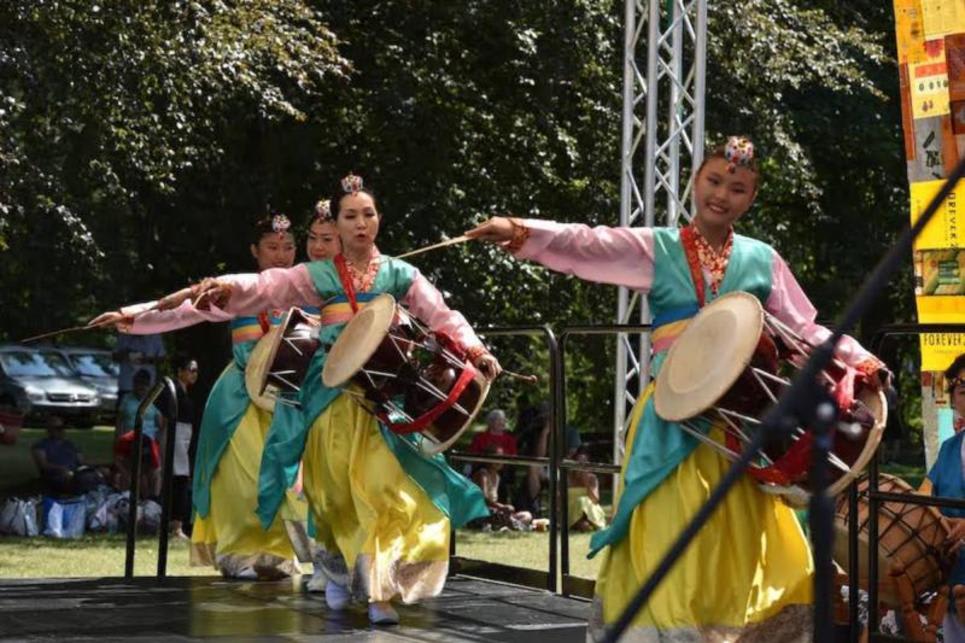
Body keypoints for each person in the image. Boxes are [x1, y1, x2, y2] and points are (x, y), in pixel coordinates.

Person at [467, 136, 888, 640]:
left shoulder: (762, 259)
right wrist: (519, 231)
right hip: (672, 414)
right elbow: (589, 242)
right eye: (714, 181)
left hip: (740, 423)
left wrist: (859, 361)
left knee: (737, 537)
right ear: (694, 182)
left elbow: (806, 328)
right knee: (667, 530)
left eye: (737, 188)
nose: (722, 195)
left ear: (750, 199)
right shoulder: (660, 247)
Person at [91, 173, 498, 626]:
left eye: (368, 214)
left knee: (385, 489)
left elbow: (441, 315)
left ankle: (380, 592)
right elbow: (259, 289)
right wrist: (139, 315)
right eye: (350, 216)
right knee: (334, 497)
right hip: (328, 402)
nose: (360, 224)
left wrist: (476, 349)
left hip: (383, 404)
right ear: (337, 226)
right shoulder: (316, 276)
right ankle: (336, 571)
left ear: (379, 219)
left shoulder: (402, 274)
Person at [95, 214, 308, 579]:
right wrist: (130, 316)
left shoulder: (306, 289)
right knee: (242, 479)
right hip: (240, 397)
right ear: (254, 251)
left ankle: (277, 553)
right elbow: (185, 309)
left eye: (288, 247)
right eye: (272, 247)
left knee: (286, 479)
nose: (281, 255)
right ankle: (238, 552)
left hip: (287, 397)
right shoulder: (240, 291)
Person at [920, 353, 965, 640]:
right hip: (954, 576)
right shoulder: (950, 448)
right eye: (963, 390)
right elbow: (922, 496)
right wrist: (938, 519)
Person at [113, 368, 165, 498]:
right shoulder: (127, 399)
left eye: (144, 385)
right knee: (133, 472)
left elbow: (161, 424)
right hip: (131, 440)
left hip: (149, 441)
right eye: (138, 384)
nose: (141, 388)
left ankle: (154, 499)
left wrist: (159, 438)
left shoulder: (152, 400)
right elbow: (120, 422)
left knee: (155, 472)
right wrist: (118, 440)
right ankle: (136, 498)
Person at [169, 354, 199, 539]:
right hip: (177, 434)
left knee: (181, 479)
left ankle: (177, 524)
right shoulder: (172, 390)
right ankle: (176, 527)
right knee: (179, 478)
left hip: (185, 435)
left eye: (196, 371)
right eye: (191, 370)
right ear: (180, 371)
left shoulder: (186, 391)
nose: (195, 374)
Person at [471, 445, 532, 531]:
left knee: (527, 515)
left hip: (494, 511)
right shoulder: (483, 474)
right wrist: (501, 507)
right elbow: (482, 498)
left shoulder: (497, 476)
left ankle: (507, 526)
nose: (500, 461)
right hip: (481, 512)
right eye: (497, 458)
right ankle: (514, 526)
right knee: (502, 515)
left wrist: (503, 508)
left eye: (502, 458)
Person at [31, 415, 85, 496]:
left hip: (76, 473)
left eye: (62, 428)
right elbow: (43, 465)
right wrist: (61, 469)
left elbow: (82, 461)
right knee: (80, 481)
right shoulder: (41, 445)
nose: (61, 431)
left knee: (99, 474)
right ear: (49, 429)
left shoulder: (70, 444)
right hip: (57, 475)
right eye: (57, 428)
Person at [113, 331, 165, 403]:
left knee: (147, 412)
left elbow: (161, 358)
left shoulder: (155, 336)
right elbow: (114, 356)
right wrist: (125, 354)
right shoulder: (124, 335)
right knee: (125, 410)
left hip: (147, 386)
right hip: (127, 384)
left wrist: (146, 359)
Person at [566, 447, 607, 532]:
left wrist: (587, 483)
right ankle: (580, 524)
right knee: (580, 501)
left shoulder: (592, 478)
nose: (582, 467)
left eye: (585, 463)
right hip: (572, 512)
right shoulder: (567, 478)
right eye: (579, 463)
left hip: (589, 511)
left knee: (583, 500)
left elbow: (595, 500)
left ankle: (589, 524)